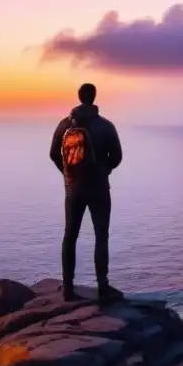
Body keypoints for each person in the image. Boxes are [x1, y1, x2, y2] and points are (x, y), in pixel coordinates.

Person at [49, 83, 123, 302]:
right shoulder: (105, 126)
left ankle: (68, 288)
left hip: (73, 189)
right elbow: (117, 157)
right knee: (101, 236)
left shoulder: (64, 125)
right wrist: (104, 169)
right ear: (94, 97)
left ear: (79, 97)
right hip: (99, 188)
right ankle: (102, 286)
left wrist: (67, 174)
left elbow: (53, 153)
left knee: (70, 235)